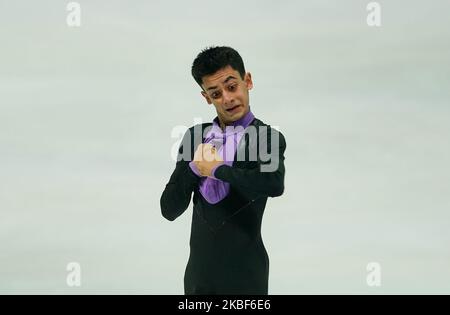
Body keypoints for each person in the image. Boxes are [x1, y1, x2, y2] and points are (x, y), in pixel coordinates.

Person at [160, 46, 287, 295]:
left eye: (231, 87)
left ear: (247, 81)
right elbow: (169, 209)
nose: (227, 98)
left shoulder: (266, 137)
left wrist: (218, 169)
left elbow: (273, 184)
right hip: (199, 279)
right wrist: (195, 168)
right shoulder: (195, 137)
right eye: (216, 93)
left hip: (246, 277)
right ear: (206, 97)